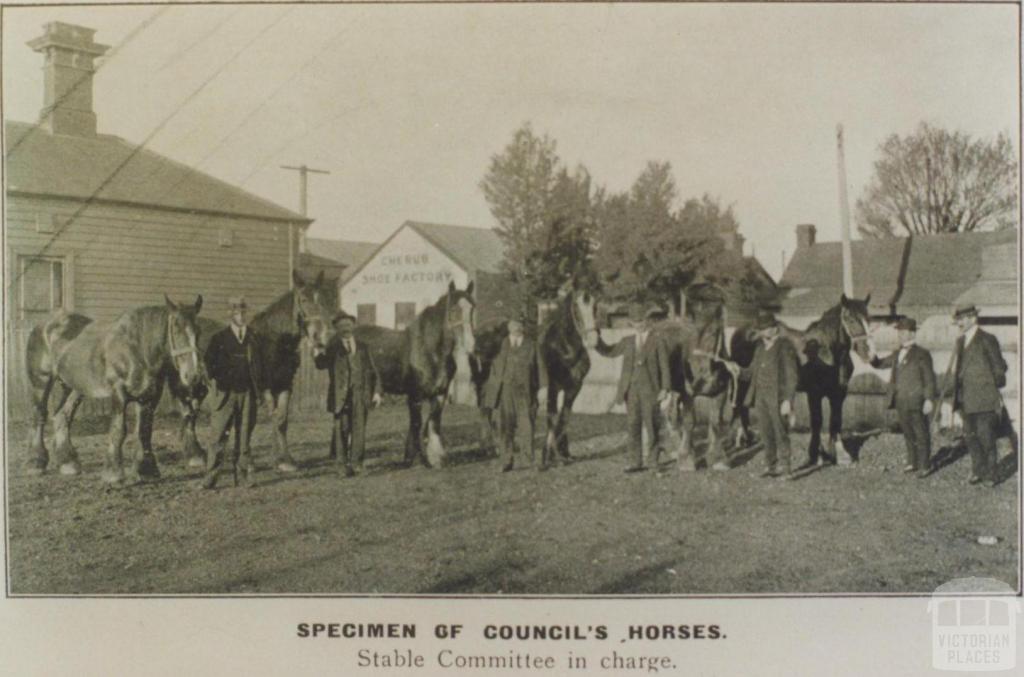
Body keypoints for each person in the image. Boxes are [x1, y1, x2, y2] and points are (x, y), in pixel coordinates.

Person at [595, 304, 671, 473]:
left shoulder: (658, 340)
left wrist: (665, 388)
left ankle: (652, 461)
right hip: (630, 390)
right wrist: (596, 340)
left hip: (651, 389)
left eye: (642, 321)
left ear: (648, 321)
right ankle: (634, 462)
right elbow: (610, 351)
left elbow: (665, 367)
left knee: (652, 425)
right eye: (635, 322)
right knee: (633, 424)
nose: (639, 325)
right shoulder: (627, 341)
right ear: (631, 324)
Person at [202, 296, 266, 489]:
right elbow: (208, 365)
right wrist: (221, 381)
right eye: (236, 311)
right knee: (218, 436)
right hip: (225, 394)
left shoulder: (254, 338)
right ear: (230, 314)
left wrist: (260, 390)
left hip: (248, 394)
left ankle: (243, 477)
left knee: (244, 435)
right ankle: (210, 478)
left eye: (243, 311)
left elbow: (262, 366)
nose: (240, 315)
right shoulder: (219, 338)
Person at [730, 310, 800, 479]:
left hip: (777, 397)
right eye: (761, 329)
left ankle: (786, 469)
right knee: (766, 432)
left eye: (767, 328)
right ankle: (771, 466)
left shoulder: (784, 346)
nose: (763, 332)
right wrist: (735, 368)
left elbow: (792, 376)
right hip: (760, 397)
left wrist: (788, 400)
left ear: (775, 329)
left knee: (780, 432)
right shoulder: (760, 348)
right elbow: (750, 373)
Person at [315, 311, 382, 478]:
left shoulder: (363, 346)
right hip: (340, 397)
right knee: (342, 430)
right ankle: (341, 466)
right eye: (341, 325)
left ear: (353, 326)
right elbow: (321, 364)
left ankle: (357, 464)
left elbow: (374, 371)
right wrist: (317, 348)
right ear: (337, 329)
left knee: (359, 430)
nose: (346, 328)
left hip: (361, 394)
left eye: (348, 324)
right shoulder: (333, 348)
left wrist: (377, 392)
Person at [869, 317, 937, 478]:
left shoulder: (922, 354)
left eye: (904, 332)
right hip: (901, 400)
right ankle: (912, 462)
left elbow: (929, 379)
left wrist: (928, 399)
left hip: (916, 400)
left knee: (921, 433)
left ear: (912, 333)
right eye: (899, 332)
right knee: (907, 432)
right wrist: (873, 358)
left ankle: (925, 465)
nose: (900, 335)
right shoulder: (897, 353)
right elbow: (880, 364)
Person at [951, 303, 1008, 488]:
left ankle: (992, 474)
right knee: (971, 437)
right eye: (958, 319)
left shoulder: (987, 339)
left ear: (973, 318)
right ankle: (978, 470)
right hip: (965, 399)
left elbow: (999, 367)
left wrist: (992, 387)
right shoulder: (960, 341)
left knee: (986, 438)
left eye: (963, 319)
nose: (959, 323)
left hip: (984, 398)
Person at [482, 317, 546, 472]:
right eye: (513, 324)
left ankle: (529, 460)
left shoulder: (532, 345)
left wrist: (544, 388)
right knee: (505, 426)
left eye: (519, 324)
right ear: (508, 326)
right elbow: (482, 355)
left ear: (523, 327)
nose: (516, 327)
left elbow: (541, 367)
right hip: (504, 390)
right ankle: (506, 461)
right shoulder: (499, 344)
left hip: (525, 391)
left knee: (527, 426)